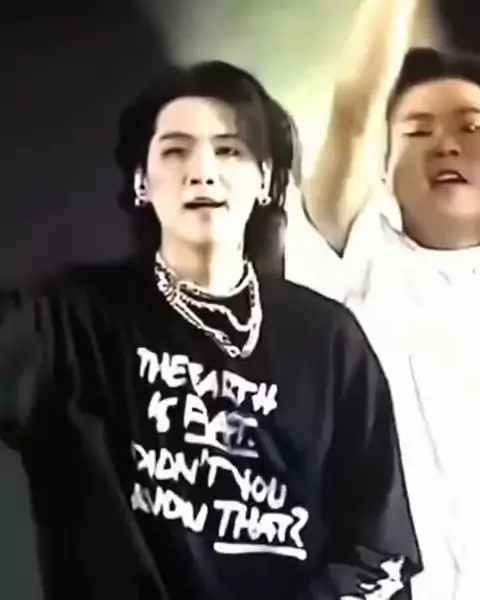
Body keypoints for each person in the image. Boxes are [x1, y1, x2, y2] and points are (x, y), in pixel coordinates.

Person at [0, 60, 420, 600]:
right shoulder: (68, 320)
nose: (202, 171)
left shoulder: (329, 339)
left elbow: (380, 553)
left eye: (229, 151)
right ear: (141, 181)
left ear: (265, 179)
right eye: (175, 151)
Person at [285, 0, 479, 598]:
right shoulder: (357, 257)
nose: (445, 144)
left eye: (472, 127)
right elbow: (352, 116)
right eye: (417, 132)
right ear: (385, 169)